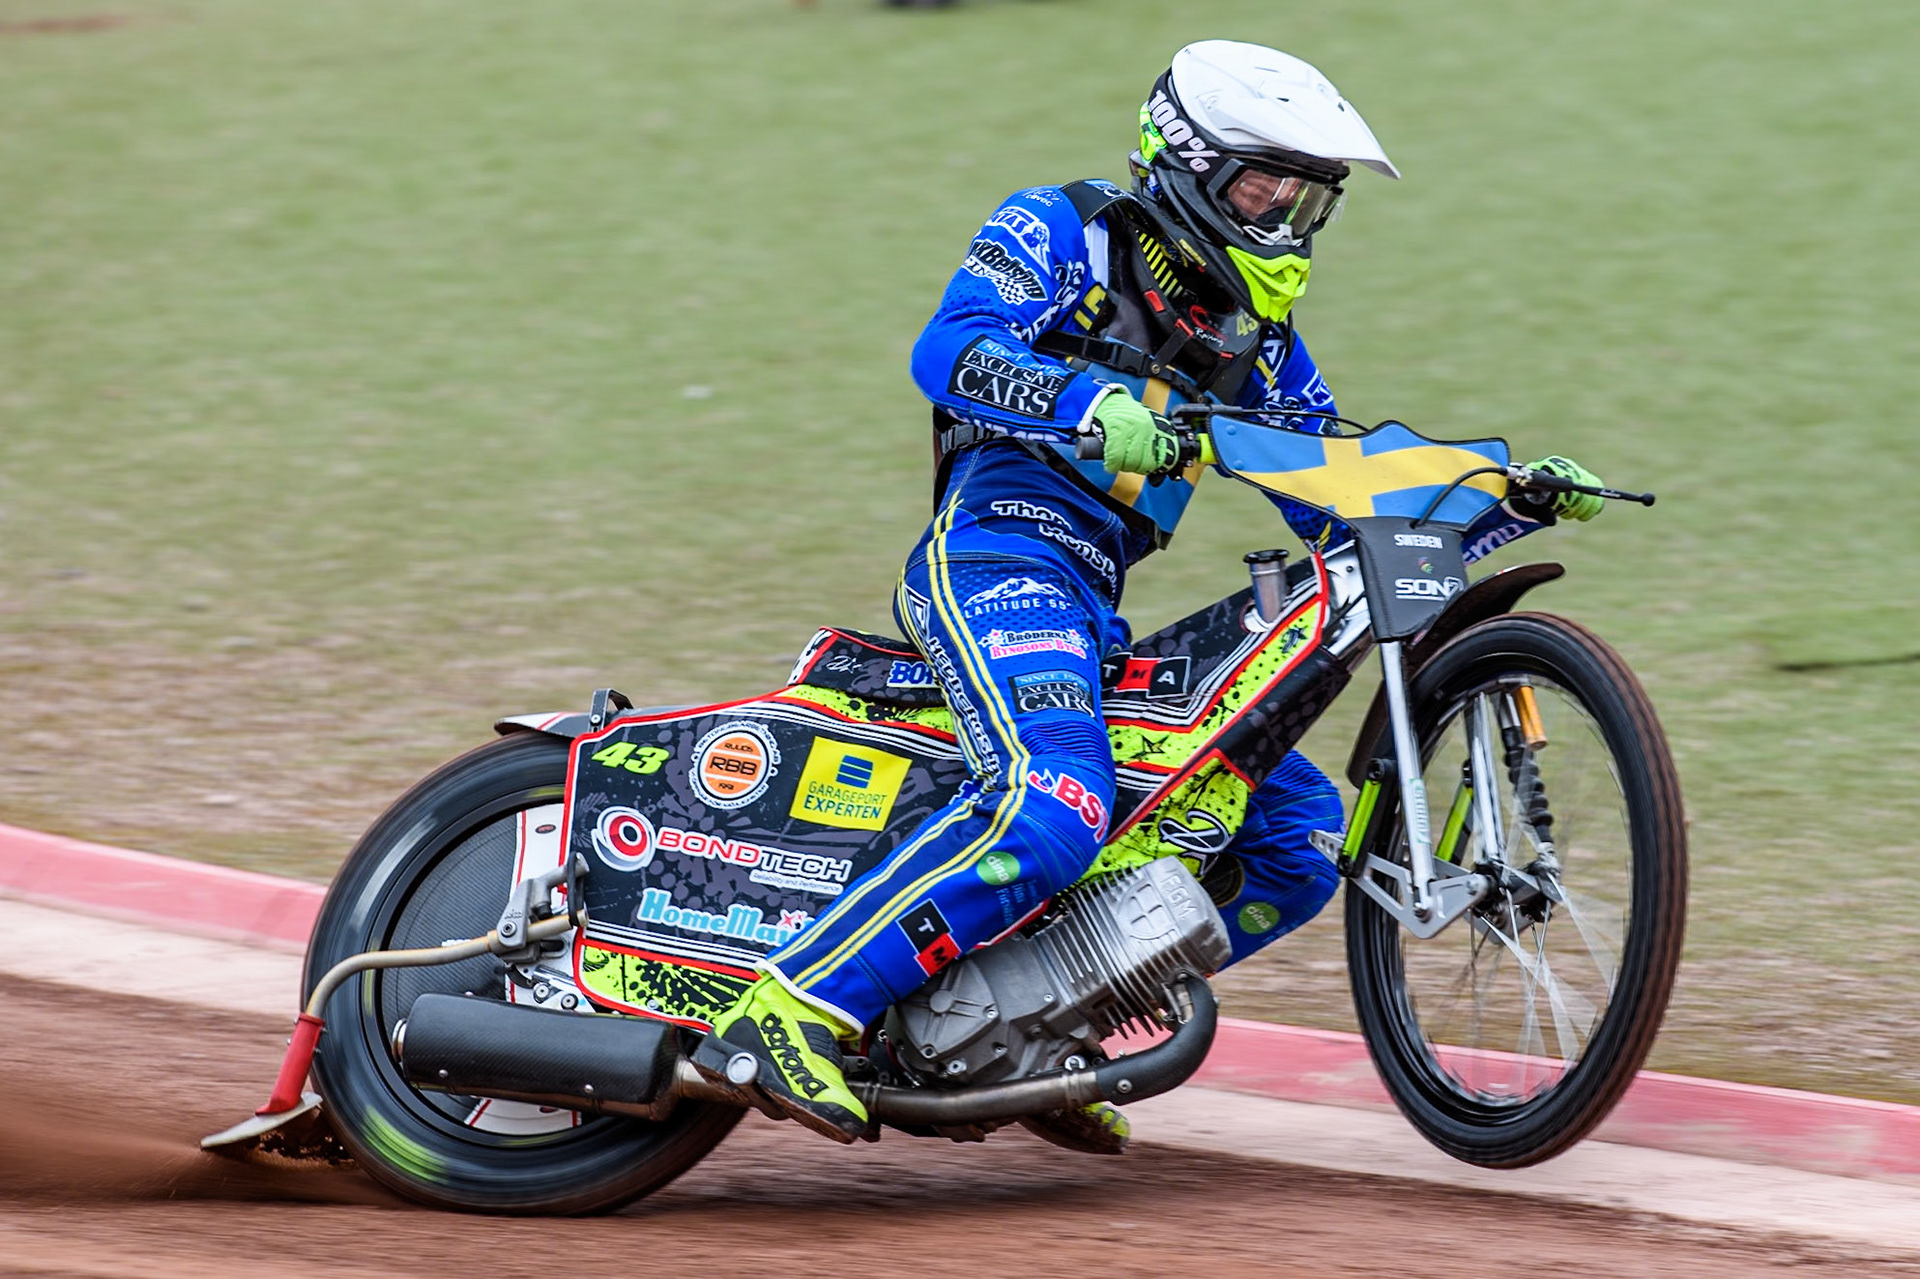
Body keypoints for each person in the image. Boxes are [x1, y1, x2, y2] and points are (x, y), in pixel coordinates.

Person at [697, 40, 1607, 1146]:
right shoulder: (1061, 228)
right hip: (992, 557)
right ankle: (789, 1005)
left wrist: (1495, 499)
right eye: (1264, 187)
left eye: (1306, 200)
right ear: (1182, 162)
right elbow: (948, 352)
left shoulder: (1257, 344)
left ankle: (1037, 1026)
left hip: (1093, 600)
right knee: (1059, 803)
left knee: (1294, 843)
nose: (1284, 219)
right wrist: (1085, 403)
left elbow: (1339, 492)